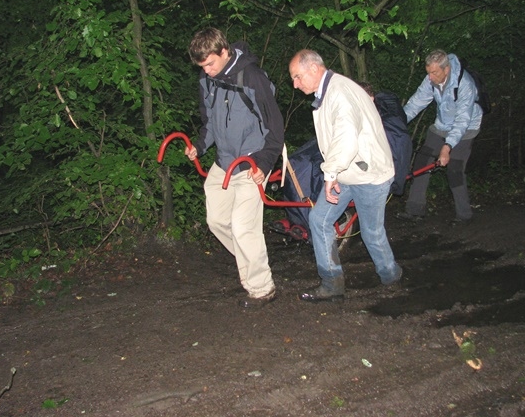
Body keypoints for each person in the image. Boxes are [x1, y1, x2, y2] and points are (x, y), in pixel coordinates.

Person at [289, 49, 403, 302]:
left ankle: (391, 275)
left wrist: (330, 174)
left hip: (369, 173)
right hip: (348, 171)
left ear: (314, 69)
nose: (295, 85)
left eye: (297, 77)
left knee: (372, 233)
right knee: (318, 220)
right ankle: (332, 282)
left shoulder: (340, 93)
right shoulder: (328, 91)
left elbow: (346, 139)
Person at [186, 28, 284, 309]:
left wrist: (264, 163)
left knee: (243, 227)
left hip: (251, 161)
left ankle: (262, 287)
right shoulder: (207, 80)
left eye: (210, 64)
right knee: (217, 221)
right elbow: (210, 122)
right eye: (202, 66)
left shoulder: (252, 77)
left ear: (224, 51)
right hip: (223, 162)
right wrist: (199, 146)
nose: (207, 71)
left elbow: (275, 128)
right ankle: (252, 262)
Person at [397, 49, 482, 224]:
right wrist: (396, 124)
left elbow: (462, 121)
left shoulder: (465, 85)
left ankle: (464, 215)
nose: (430, 77)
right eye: (428, 72)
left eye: (434, 73)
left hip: (466, 130)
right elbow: (415, 103)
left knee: (454, 170)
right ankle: (415, 211)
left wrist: (447, 147)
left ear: (446, 69)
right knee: (423, 162)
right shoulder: (431, 80)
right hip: (442, 126)